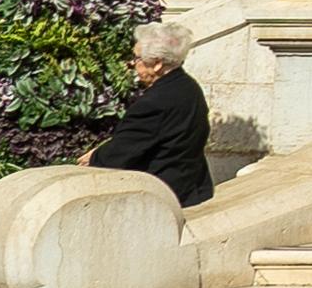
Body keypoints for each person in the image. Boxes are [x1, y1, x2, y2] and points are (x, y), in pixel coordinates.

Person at [80, 21, 213, 207]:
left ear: (158, 64)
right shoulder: (189, 86)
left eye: (137, 59)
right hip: (191, 188)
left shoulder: (154, 102)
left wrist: (94, 158)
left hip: (161, 196)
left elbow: (123, 152)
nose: (133, 64)